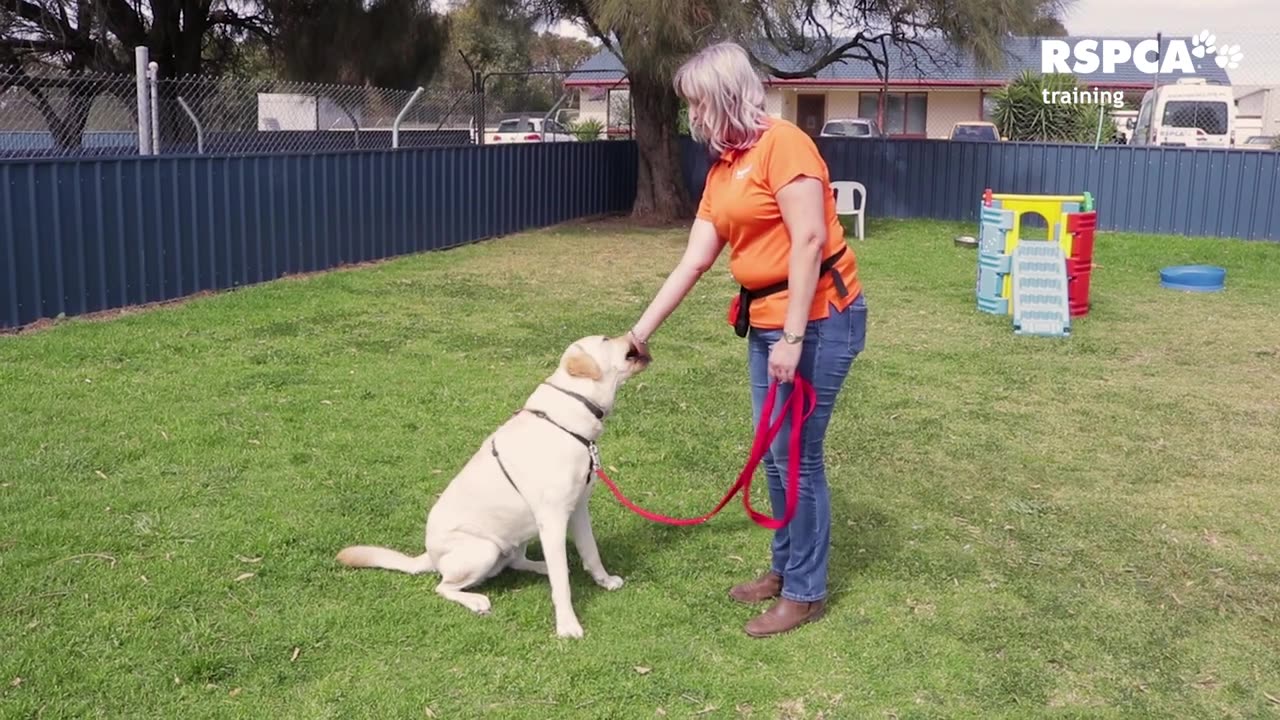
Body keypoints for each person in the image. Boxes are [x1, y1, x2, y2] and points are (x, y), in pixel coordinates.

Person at [623, 41, 867, 638]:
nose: (692, 117)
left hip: (820, 319)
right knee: (774, 455)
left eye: (697, 104)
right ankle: (785, 569)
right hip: (766, 323)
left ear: (724, 97)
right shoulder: (726, 167)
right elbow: (694, 261)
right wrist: (637, 333)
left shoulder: (786, 147)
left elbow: (809, 241)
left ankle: (806, 591)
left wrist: (791, 336)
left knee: (798, 456)